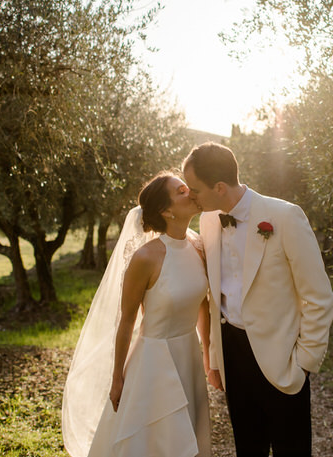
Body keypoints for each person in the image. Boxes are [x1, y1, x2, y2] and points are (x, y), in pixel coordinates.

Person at [183, 142, 333, 457]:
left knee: (290, 450)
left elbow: (318, 297)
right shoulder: (209, 220)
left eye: (195, 189)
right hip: (233, 355)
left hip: (283, 360)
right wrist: (214, 357)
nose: (190, 195)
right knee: (247, 449)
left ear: (220, 187)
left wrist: (305, 362)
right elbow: (215, 297)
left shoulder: (286, 216)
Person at [61, 173, 212, 457]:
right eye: (181, 191)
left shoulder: (199, 246)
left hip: (188, 357)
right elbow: (127, 320)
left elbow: (203, 304)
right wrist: (117, 378)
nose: (190, 192)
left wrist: (208, 356)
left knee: (187, 438)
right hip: (154, 362)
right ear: (167, 211)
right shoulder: (145, 258)